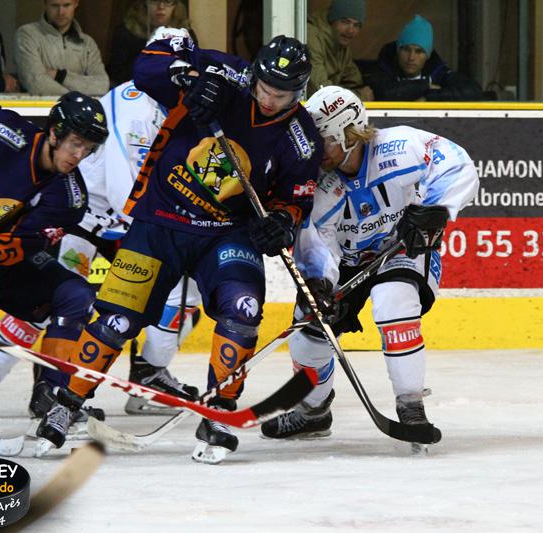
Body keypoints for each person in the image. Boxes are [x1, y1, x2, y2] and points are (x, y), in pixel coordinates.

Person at [33, 33, 323, 462]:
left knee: (242, 311)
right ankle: (66, 403)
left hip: (227, 233)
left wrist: (281, 221)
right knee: (116, 318)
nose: (267, 100)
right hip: (160, 221)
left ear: (298, 93)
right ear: (254, 74)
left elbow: (295, 200)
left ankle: (219, 413)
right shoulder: (224, 72)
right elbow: (147, 65)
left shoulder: (302, 137)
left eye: (280, 95)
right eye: (263, 88)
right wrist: (189, 80)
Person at [0, 73, 204, 422]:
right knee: (53, 304)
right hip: (84, 220)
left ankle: (146, 372)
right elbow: (123, 192)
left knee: (174, 289)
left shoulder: (170, 108)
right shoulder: (135, 112)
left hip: (114, 223)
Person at [260, 86, 479, 448]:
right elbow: (318, 240)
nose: (314, 150)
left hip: (402, 249)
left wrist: (433, 209)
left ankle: (411, 406)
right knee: (308, 327)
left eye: (323, 140)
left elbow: (457, 164)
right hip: (347, 262)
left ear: (349, 134)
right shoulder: (320, 182)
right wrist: (319, 283)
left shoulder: (400, 146)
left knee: (393, 300)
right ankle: (313, 412)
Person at [0, 87, 109, 445]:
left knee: (72, 296)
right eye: (75, 143)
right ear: (54, 133)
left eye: (88, 148)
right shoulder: (3, 131)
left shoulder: (69, 198)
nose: (79, 155)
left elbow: (18, 245)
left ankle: (52, 400)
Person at [367, 15, 486, 102]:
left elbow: (473, 92)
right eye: (406, 50)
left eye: (419, 51)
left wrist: (429, 97)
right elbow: (383, 93)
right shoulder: (384, 68)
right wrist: (426, 86)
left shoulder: (437, 71)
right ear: (398, 51)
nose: (411, 57)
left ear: (428, 55)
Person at [15, 0, 109, 96]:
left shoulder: (87, 43)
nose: (61, 12)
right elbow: (36, 83)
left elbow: (102, 86)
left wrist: (59, 75)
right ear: (45, 4)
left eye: (66, 5)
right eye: (54, 6)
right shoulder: (27, 34)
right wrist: (73, 98)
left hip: (77, 104)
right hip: (40, 105)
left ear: (76, 3)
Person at [108, 0, 195, 86]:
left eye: (167, 1)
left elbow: (193, 69)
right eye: (155, 0)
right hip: (134, 89)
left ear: (175, 6)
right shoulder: (125, 33)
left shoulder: (185, 35)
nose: (161, 6)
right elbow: (117, 73)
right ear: (145, 4)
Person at [307, 0, 373, 101]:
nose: (350, 30)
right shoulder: (311, 37)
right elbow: (320, 91)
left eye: (356, 25)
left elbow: (354, 80)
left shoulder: (340, 44)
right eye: (345, 22)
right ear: (332, 20)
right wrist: (360, 97)